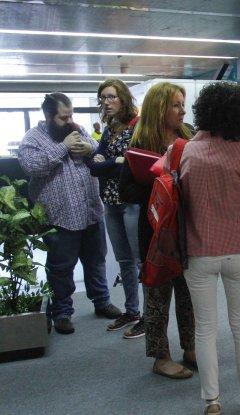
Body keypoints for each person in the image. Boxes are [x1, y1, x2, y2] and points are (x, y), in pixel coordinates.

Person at [181, 82, 240, 415]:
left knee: (204, 329)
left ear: (203, 112)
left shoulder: (188, 151)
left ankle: (212, 403)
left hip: (199, 251)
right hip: (239, 250)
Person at [18, 92, 121, 334]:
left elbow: (99, 152)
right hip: (60, 217)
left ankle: (102, 301)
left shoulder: (78, 129)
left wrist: (89, 148)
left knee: (96, 261)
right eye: (64, 117)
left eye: (71, 115)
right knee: (61, 267)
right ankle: (62, 312)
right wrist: (62, 148)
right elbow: (34, 166)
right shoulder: (32, 139)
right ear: (48, 116)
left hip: (90, 211)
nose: (69, 120)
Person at [119, 82, 195, 378]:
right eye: (176, 104)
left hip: (187, 228)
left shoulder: (188, 135)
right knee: (157, 295)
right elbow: (126, 190)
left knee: (189, 293)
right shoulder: (140, 142)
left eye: (182, 104)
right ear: (160, 107)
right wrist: (161, 182)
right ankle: (161, 357)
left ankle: (190, 347)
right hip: (155, 231)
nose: (182, 110)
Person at [87, 79, 143, 336]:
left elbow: (131, 166)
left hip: (131, 202)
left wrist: (107, 163)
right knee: (124, 260)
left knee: (141, 260)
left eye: (110, 97)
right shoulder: (110, 129)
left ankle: (149, 317)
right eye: (103, 98)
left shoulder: (138, 127)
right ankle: (132, 310)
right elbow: (94, 166)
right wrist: (113, 162)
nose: (106, 102)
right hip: (110, 202)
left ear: (123, 98)